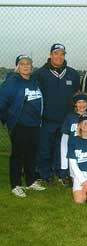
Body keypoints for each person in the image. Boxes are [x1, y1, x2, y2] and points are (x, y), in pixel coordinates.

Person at [0, 55, 46, 197]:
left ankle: (31, 181)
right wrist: (9, 120)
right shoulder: (11, 82)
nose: (26, 66)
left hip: (34, 124)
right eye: (22, 64)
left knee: (31, 154)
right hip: (19, 125)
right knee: (18, 155)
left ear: (32, 67)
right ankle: (16, 184)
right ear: (17, 66)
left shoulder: (34, 81)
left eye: (28, 64)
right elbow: (2, 103)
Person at [35, 43, 80, 185]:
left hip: (66, 119)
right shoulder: (40, 74)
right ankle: (45, 173)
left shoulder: (72, 73)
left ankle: (62, 174)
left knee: (62, 148)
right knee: (45, 147)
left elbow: (77, 96)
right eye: (56, 53)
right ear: (50, 55)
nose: (59, 56)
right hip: (47, 118)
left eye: (62, 54)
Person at [60, 91, 87, 186]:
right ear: (75, 104)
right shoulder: (70, 117)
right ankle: (67, 176)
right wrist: (64, 166)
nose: (82, 105)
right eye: (79, 102)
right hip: (74, 153)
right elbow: (64, 142)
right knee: (77, 182)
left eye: (84, 102)